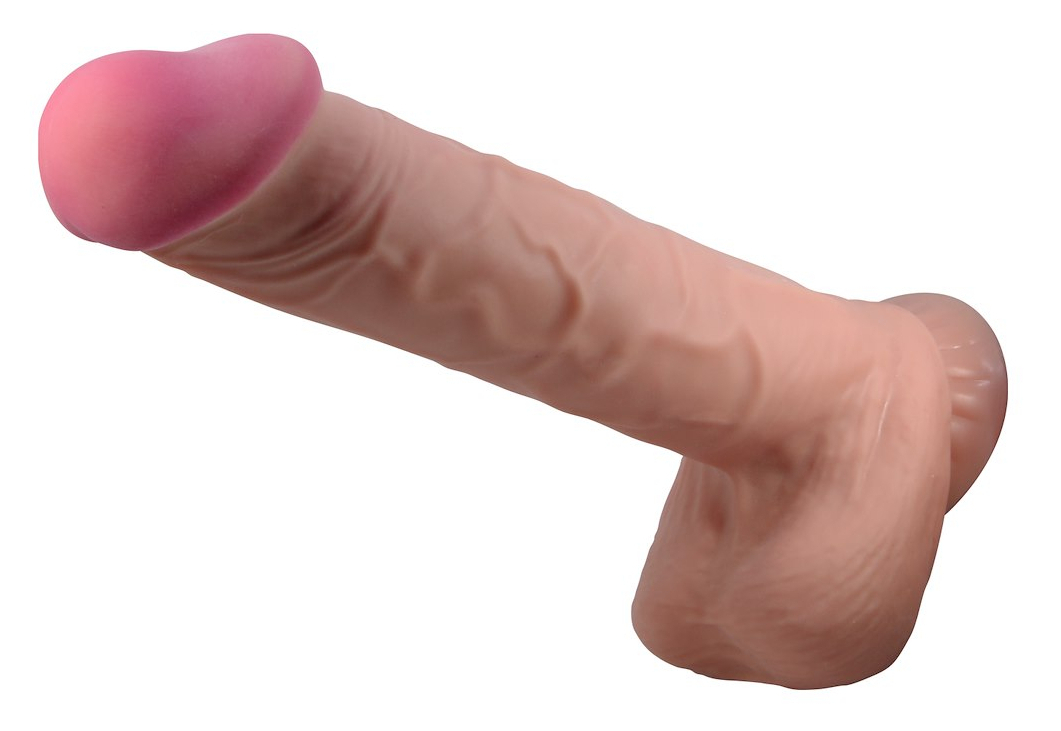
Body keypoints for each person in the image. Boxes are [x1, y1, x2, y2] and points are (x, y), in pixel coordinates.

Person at [38, 33, 1007, 689]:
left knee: (413, 231)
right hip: (828, 435)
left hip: (854, 425)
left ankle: (852, 393)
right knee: (409, 234)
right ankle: (845, 394)